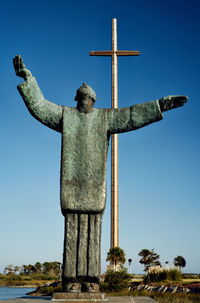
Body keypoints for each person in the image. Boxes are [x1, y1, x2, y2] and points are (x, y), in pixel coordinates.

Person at [13, 54, 188, 292]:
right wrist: (28, 79)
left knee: (93, 233)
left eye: (88, 97)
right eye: (81, 97)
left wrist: (159, 105)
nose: (84, 100)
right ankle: (72, 281)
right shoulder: (66, 116)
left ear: (94, 100)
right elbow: (40, 107)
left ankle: (91, 280)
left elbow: (131, 115)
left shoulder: (105, 118)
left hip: (94, 187)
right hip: (72, 185)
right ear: (76, 99)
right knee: (72, 233)